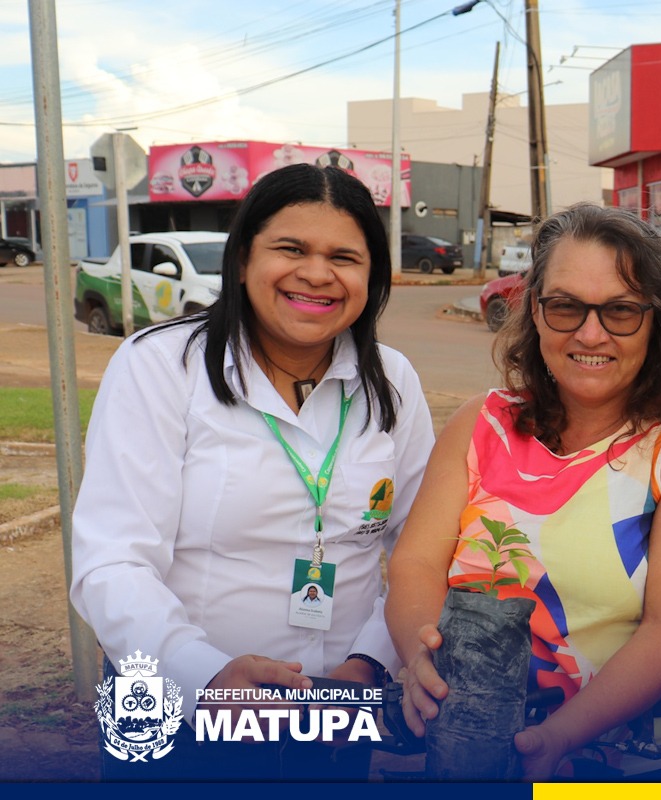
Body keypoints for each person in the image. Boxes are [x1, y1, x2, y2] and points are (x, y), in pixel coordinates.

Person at [70, 163, 435, 780]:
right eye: (290, 248)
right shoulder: (162, 366)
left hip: (334, 717)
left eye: (344, 257)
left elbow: (421, 550)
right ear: (241, 260)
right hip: (175, 709)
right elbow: (113, 559)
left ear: (371, 278)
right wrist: (205, 676)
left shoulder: (392, 381)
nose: (316, 274)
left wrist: (368, 666)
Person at [386, 203, 661, 781]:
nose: (591, 333)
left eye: (620, 311)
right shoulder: (482, 423)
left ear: (655, 318)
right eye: (565, 307)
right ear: (535, 311)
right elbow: (415, 563)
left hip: (657, 766)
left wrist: (556, 737)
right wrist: (420, 658)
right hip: (480, 748)